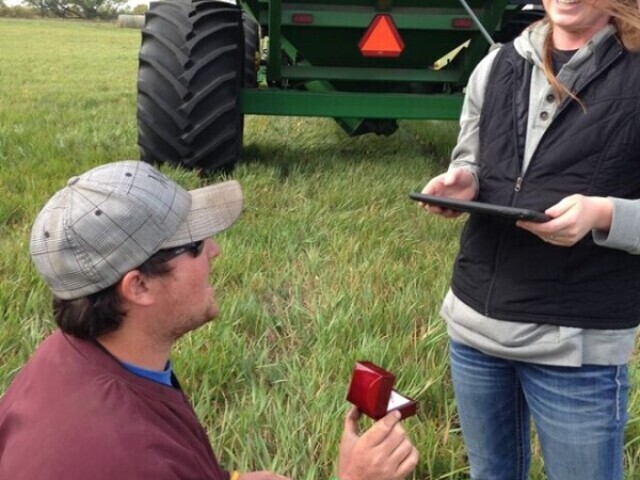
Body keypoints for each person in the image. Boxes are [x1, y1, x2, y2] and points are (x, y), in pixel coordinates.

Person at [0, 160, 419, 480]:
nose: (215, 250)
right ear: (139, 286)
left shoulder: (70, 356)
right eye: (196, 245)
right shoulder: (128, 457)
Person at [419, 1, 640, 479]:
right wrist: (464, 182)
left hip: (575, 345)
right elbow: (472, 158)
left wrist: (603, 214)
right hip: (475, 330)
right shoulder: (496, 63)